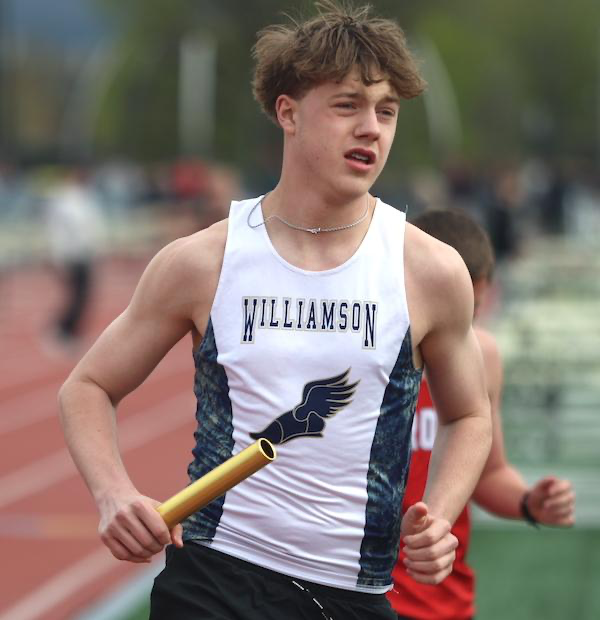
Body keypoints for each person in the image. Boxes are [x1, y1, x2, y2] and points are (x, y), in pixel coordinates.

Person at [57, 3, 492, 619]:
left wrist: (440, 517)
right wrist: (113, 494)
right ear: (288, 112)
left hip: (351, 593)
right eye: (347, 105)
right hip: (215, 579)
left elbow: (469, 414)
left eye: (386, 111)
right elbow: (88, 387)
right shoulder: (204, 261)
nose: (371, 128)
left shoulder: (429, 270)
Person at [388, 208, 576, 620]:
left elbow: (488, 473)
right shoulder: (366, 350)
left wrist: (528, 502)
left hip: (441, 598)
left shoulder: (483, 355)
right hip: (360, 593)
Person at [45, 167, 105, 350]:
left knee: (83, 296)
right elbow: (59, 231)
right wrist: (59, 257)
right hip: (72, 255)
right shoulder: (64, 201)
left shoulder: (85, 198)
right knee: (76, 296)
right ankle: (63, 330)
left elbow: (91, 228)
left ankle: (70, 331)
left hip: (84, 254)